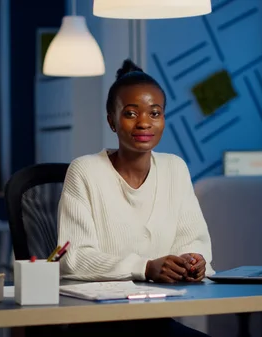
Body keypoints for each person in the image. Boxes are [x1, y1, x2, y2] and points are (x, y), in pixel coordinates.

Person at [55, 59, 214, 336]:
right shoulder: (85, 171)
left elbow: (194, 241)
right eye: (131, 114)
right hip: (97, 326)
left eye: (155, 113)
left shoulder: (175, 168)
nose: (144, 123)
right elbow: (74, 258)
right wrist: (146, 267)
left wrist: (194, 261)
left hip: (155, 319)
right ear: (112, 121)